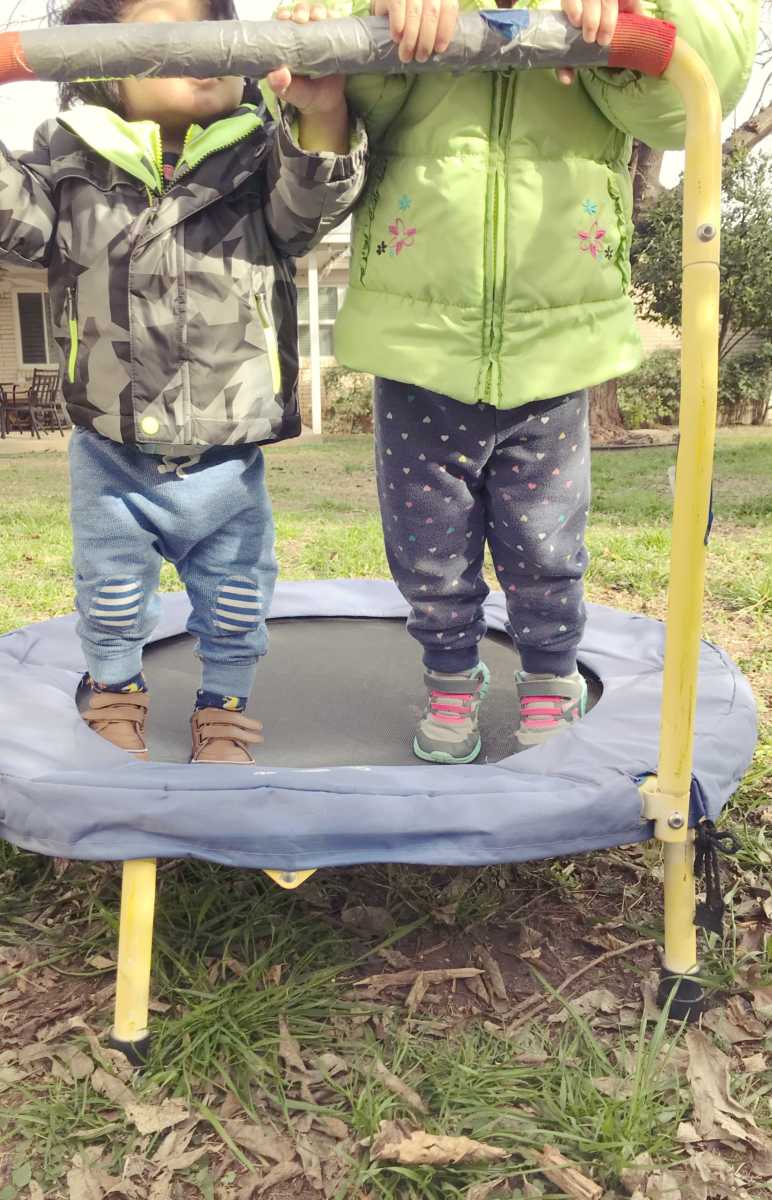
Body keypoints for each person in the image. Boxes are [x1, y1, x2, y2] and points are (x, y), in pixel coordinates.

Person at [280, 0, 756, 762]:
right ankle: (448, 675)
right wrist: (382, 13)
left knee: (547, 547)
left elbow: (689, 96)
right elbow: (334, 72)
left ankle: (549, 677)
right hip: (420, 344)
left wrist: (632, 11)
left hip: (553, 344)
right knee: (426, 549)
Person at [0, 0, 366, 764]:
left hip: (228, 454)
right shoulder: (70, 161)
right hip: (112, 451)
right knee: (112, 593)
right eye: (169, 26)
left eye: (217, 30)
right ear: (104, 65)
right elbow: (7, 227)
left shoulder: (262, 157)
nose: (203, 47)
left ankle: (222, 713)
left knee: (236, 598)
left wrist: (322, 109)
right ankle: (117, 695)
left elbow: (312, 205)